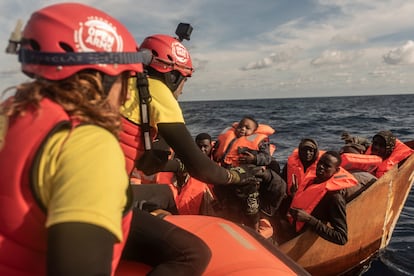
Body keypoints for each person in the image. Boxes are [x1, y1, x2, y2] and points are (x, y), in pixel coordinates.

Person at [0, 3, 151, 275]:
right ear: (102, 78)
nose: (127, 97)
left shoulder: (10, 115)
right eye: (125, 81)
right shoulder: (88, 145)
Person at [118, 31, 257, 275]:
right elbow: (202, 169)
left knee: (163, 192)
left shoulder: (123, 88)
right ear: (172, 75)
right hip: (98, 202)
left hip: (82, 189)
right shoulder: (157, 92)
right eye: (184, 80)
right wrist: (237, 176)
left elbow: (150, 162)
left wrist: (180, 166)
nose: (182, 90)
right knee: (193, 254)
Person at [287, 151, 358, 245]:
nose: (321, 166)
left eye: (327, 166)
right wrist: (294, 195)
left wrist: (309, 220)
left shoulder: (335, 198)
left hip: (300, 237)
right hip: (291, 223)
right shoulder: (312, 180)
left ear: (336, 171)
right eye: (320, 162)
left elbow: (341, 238)